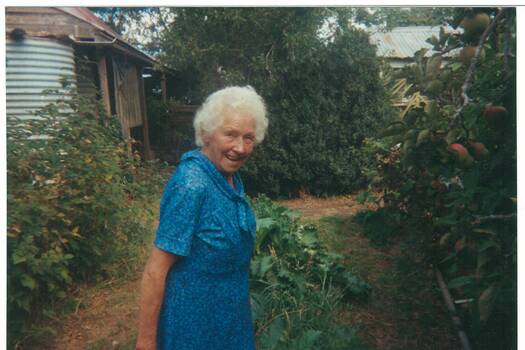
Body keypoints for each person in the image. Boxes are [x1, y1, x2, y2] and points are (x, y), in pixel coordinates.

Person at [136, 86, 269, 350]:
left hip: (231, 317)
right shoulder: (191, 185)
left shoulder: (228, 176)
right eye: (230, 134)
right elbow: (155, 270)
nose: (240, 148)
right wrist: (146, 342)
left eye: (248, 137)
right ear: (207, 134)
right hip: (193, 327)